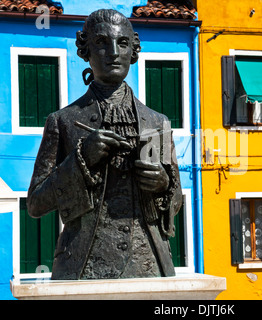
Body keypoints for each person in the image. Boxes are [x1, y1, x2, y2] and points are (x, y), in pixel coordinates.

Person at [27, 9, 182, 280]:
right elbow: (36, 204)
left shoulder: (157, 122)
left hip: (149, 265)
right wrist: (81, 160)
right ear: (86, 50)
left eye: (122, 43)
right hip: (83, 265)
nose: (113, 52)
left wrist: (162, 184)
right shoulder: (63, 121)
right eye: (101, 42)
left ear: (133, 51)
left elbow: (176, 200)